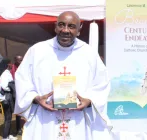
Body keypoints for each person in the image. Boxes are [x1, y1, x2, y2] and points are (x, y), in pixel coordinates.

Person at [14, 11, 112, 140]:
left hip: (78, 121)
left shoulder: (89, 53)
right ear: (55, 26)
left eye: (71, 26)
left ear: (79, 30)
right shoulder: (37, 51)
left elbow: (102, 84)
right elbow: (22, 80)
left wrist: (89, 100)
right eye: (61, 25)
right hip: (46, 120)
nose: (65, 30)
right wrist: (36, 98)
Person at [0, 58, 17, 140]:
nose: (12, 64)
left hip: (6, 98)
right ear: (7, 65)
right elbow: (5, 86)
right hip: (6, 98)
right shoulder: (5, 74)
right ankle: (5, 137)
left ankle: (8, 135)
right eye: (10, 63)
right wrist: (12, 88)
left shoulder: (5, 73)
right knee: (8, 118)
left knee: (9, 117)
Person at [10, 55, 23, 136]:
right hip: (15, 93)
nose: (21, 62)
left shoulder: (24, 67)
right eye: (19, 60)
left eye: (22, 60)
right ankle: (18, 129)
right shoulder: (12, 69)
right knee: (17, 112)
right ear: (15, 60)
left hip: (23, 92)